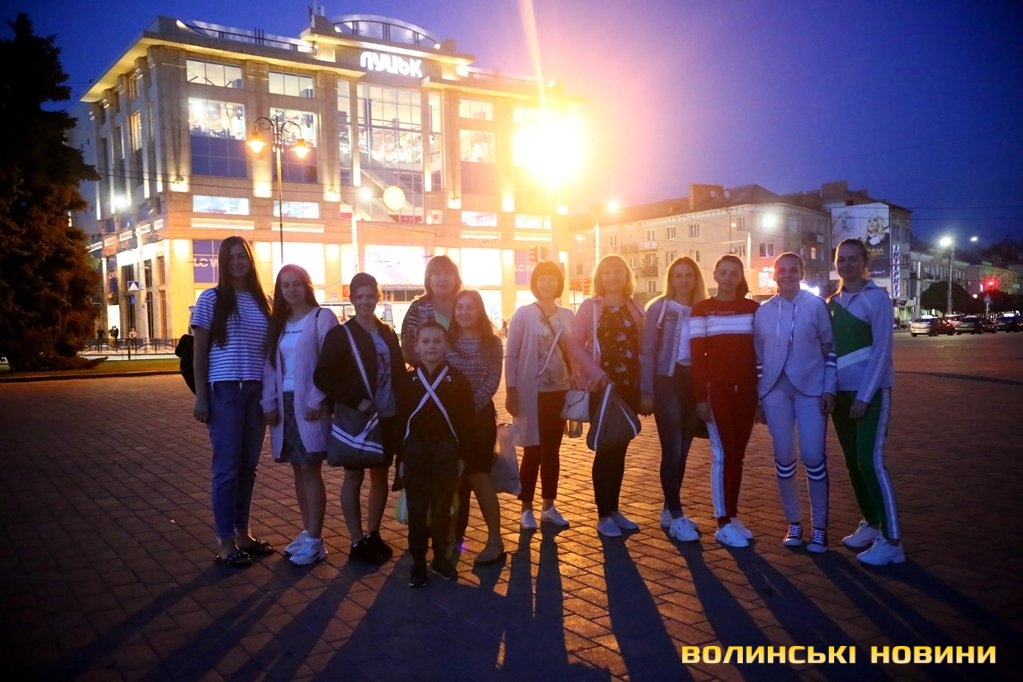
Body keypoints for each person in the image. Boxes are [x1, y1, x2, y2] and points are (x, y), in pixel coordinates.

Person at [191, 236, 272, 568]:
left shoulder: (263, 301)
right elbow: (199, 353)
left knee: (248, 467)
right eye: (231, 257)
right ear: (222, 262)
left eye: (243, 256)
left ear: (251, 260)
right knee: (226, 468)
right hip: (225, 391)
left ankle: (243, 533)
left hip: (256, 391)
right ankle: (225, 542)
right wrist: (202, 397)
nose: (238, 262)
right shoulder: (210, 298)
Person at [314, 273, 406, 565]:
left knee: (380, 475)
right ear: (352, 299)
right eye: (360, 297)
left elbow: (398, 373)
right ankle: (356, 541)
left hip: (387, 415)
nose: (365, 302)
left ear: (378, 298)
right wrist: (356, 399)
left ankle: (373, 533)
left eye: (370, 296)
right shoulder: (341, 335)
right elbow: (323, 375)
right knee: (353, 477)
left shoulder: (387, 332)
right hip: (358, 418)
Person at [828, 238, 905, 565]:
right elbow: (829, 353)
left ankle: (893, 540)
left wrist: (864, 396)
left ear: (864, 262)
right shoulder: (831, 303)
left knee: (870, 461)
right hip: (840, 397)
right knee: (853, 463)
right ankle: (872, 523)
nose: (846, 264)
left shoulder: (877, 299)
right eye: (841, 259)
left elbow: (882, 352)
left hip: (869, 395)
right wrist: (829, 391)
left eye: (852, 259)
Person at [753, 253, 836, 553]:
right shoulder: (763, 311)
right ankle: (794, 523)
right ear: (775, 275)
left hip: (811, 389)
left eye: (793, 270)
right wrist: (761, 396)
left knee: (813, 455)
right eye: (782, 270)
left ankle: (820, 528)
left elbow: (830, 348)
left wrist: (829, 388)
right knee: (784, 456)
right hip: (775, 391)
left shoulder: (816, 305)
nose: (787, 275)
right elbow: (758, 357)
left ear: (802, 273)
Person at [261, 265, 338, 566]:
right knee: (297, 468)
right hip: (285, 405)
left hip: (309, 405)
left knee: (310, 468)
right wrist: (269, 401)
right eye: (285, 285)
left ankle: (316, 541)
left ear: (307, 285)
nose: (291, 290)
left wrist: (318, 398)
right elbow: (270, 365)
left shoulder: (322, 318)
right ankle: (307, 532)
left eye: (296, 284)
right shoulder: (279, 323)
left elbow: (331, 363)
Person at [569, 255, 648, 538]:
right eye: (607, 272)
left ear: (626, 276)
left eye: (618, 271)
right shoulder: (590, 307)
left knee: (620, 448)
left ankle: (614, 509)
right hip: (602, 387)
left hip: (628, 387)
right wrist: (597, 374)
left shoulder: (635, 307)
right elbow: (574, 345)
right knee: (606, 449)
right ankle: (603, 514)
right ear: (600, 277)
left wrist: (644, 386)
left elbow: (644, 347)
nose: (613, 277)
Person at [691, 254, 760, 548]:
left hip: (747, 391)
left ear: (741, 276)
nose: (729, 278)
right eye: (724, 273)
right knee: (722, 454)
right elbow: (697, 357)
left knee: (738, 454)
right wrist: (700, 397)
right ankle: (722, 523)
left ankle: (732, 515)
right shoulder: (702, 310)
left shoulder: (753, 309)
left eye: (734, 273)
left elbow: (760, 351)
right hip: (716, 391)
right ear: (715, 275)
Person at [398, 321, 474, 587]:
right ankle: (418, 562)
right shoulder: (407, 381)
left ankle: (441, 558)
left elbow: (466, 422)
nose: (431, 346)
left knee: (443, 509)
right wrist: (401, 459)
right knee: (417, 510)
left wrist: (462, 456)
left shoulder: (458, 380)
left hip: (446, 453)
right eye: (426, 341)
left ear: (446, 345)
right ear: (416, 347)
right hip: (415, 453)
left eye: (437, 341)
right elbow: (400, 423)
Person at [640, 257, 707, 542]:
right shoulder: (659, 308)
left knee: (684, 449)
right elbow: (647, 351)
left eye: (688, 275)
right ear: (671, 279)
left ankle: (669, 510)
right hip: (666, 380)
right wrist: (646, 390)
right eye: (678, 275)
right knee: (673, 449)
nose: (683, 280)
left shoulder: (703, 309)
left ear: (696, 278)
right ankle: (676, 514)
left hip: (692, 382)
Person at [505, 261, 574, 531]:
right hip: (532, 393)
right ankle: (526, 508)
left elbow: (576, 352)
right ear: (535, 283)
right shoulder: (524, 314)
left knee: (552, 451)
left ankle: (549, 506)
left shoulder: (567, 315)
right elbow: (511, 354)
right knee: (532, 450)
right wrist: (511, 389)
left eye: (552, 278)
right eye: (542, 278)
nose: (547, 283)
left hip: (560, 391)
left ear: (559, 283)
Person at [446, 289, 505, 566]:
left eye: (470, 307)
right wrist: (455, 410)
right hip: (450, 420)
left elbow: (493, 379)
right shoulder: (447, 340)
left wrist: (470, 407)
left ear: (479, 310)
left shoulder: (492, 342)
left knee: (481, 478)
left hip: (480, 421)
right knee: (454, 481)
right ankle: (450, 542)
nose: (464, 312)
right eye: (460, 307)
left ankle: (495, 540)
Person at [401, 255, 462, 363]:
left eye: (448, 273)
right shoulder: (417, 308)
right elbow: (407, 349)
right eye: (437, 274)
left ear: (456, 279)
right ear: (428, 279)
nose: (443, 279)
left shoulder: (465, 306)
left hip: (468, 372)